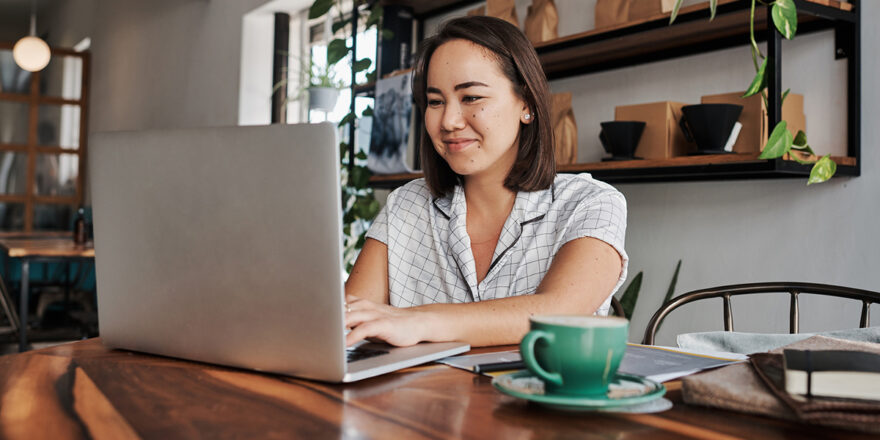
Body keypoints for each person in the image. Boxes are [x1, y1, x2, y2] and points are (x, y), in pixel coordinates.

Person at [344, 16, 628, 347]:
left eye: (471, 98)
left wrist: (421, 321)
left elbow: (560, 313)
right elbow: (350, 320)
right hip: (422, 399)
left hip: (538, 398)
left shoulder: (591, 202)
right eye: (435, 102)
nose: (448, 121)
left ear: (526, 103)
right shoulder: (406, 204)